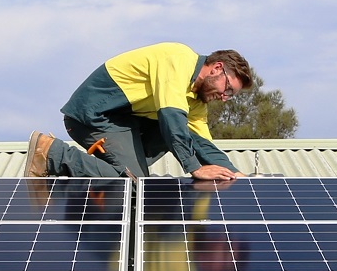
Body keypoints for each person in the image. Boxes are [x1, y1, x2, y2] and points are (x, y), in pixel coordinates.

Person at [27, 44, 254, 181]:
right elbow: (171, 117)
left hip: (123, 122)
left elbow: (203, 144)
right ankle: (52, 153)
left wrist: (235, 174)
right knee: (134, 184)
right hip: (95, 114)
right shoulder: (179, 59)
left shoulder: (196, 102)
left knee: (184, 136)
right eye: (228, 90)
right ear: (217, 68)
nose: (225, 98)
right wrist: (194, 168)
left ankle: (116, 170)